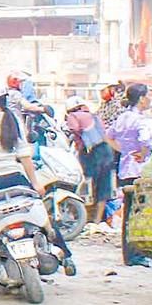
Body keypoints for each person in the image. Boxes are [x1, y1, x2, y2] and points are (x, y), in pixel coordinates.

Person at [0, 75, 72, 290]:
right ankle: (66, 255)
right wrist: (36, 183)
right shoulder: (12, 119)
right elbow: (24, 155)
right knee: (42, 216)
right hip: (15, 178)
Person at [107, 83, 152, 267]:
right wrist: (142, 153)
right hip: (138, 170)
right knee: (138, 213)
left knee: (128, 213)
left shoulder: (122, 117)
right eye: (147, 96)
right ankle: (136, 255)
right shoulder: (139, 120)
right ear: (142, 99)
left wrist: (123, 150)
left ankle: (128, 254)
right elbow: (145, 140)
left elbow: (108, 136)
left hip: (124, 169)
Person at [65, 95, 113, 230]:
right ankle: (97, 220)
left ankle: (82, 217)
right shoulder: (95, 117)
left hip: (90, 153)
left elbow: (73, 129)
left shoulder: (73, 116)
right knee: (103, 187)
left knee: (83, 183)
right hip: (105, 151)